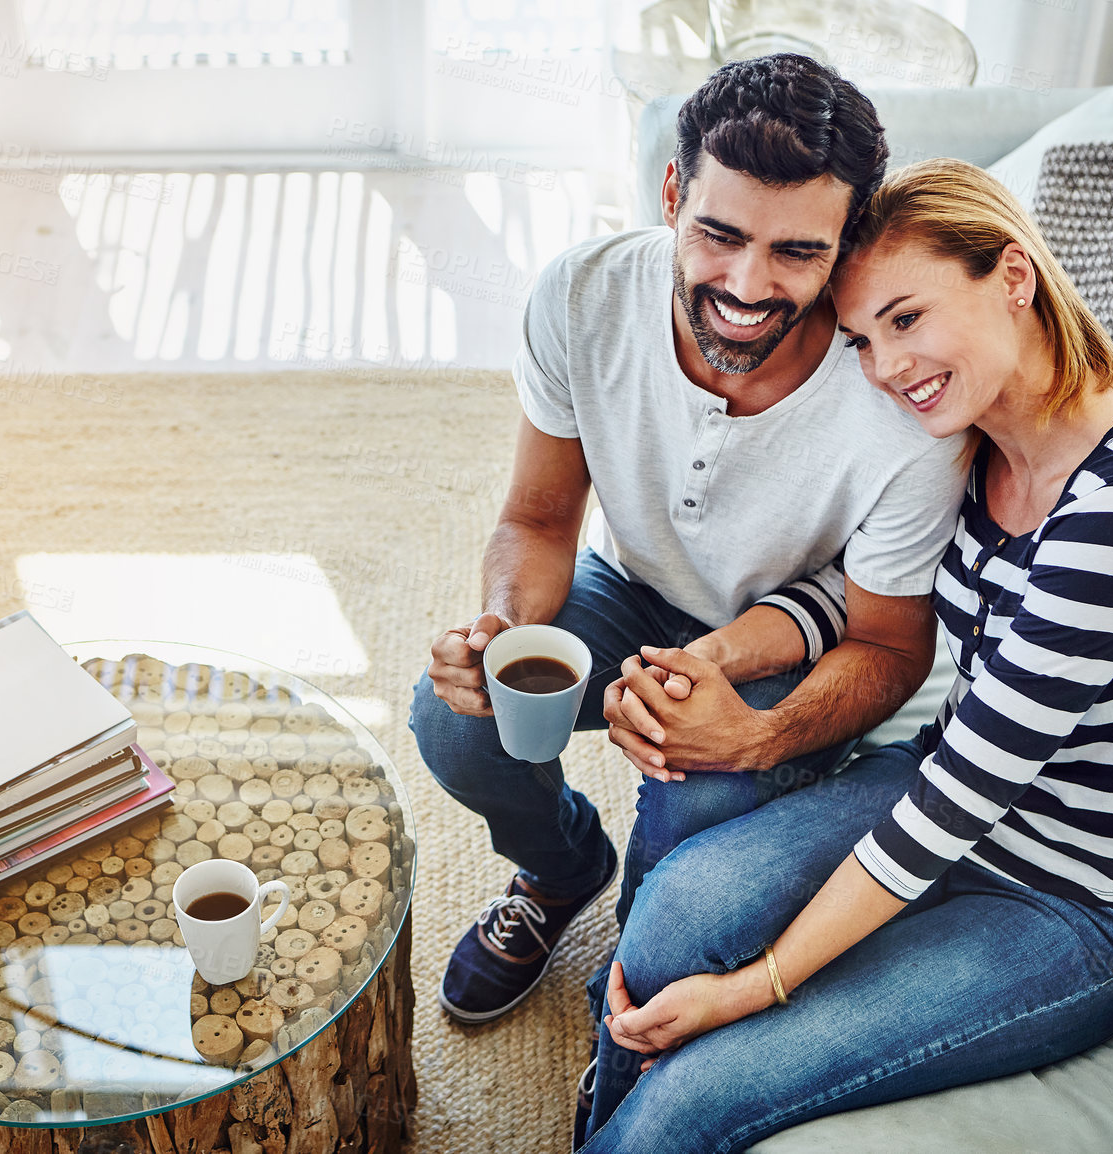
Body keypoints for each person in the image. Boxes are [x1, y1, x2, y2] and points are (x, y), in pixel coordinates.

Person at [575, 156, 1113, 1153]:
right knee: (673, 913)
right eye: (864, 337)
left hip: (1073, 901)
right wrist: (712, 658)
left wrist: (752, 988)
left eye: (906, 319)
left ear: (1012, 275)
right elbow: (857, 588)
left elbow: (958, 799)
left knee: (695, 1099)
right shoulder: (973, 440)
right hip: (949, 795)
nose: (884, 368)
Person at [410, 53, 968, 1026]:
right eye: (718, 233)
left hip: (789, 645)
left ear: (847, 240)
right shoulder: (581, 295)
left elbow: (890, 643)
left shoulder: (901, 395)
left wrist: (758, 734)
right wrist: (502, 625)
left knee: (695, 809)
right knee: (453, 719)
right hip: (631, 593)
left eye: (797, 252)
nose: (748, 286)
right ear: (671, 193)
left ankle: (627, 992)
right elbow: (539, 518)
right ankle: (559, 866)